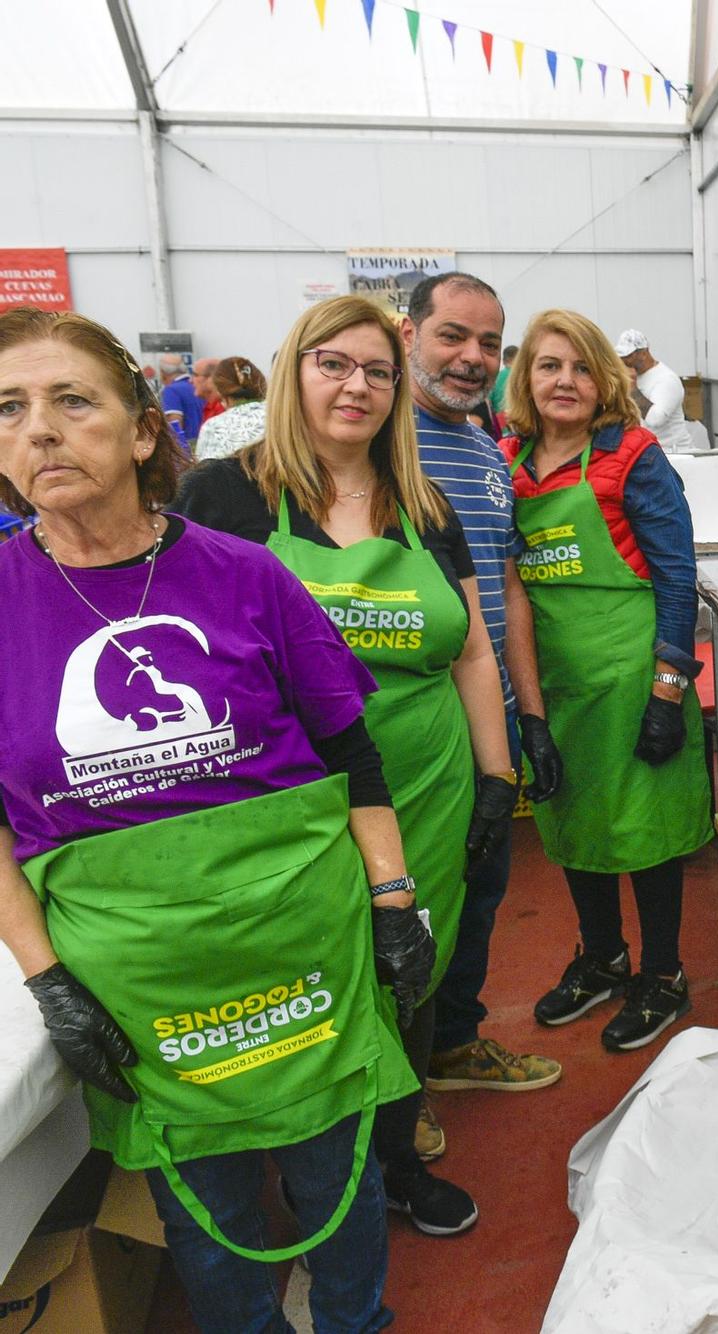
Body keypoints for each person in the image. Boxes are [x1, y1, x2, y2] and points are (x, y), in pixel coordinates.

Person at [0, 306, 432, 1332]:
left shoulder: (245, 574)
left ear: (145, 429)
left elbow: (350, 753)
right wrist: (47, 978)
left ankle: (355, 1320)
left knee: (339, 1169)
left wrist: (392, 897)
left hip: (300, 937)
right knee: (205, 1201)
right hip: (138, 968)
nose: (39, 430)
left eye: (72, 400)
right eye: (9, 408)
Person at [176, 295, 514, 1236]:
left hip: (429, 791)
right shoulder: (225, 497)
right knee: (312, 983)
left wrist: (497, 776)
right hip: (295, 798)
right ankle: (317, 1174)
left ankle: (396, 1163)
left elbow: (474, 649)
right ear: (294, 371)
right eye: (334, 363)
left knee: (412, 982)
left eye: (376, 370)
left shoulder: (423, 504)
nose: (356, 386)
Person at [502, 309, 711, 1052]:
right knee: (571, 824)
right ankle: (602, 956)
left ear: (608, 381)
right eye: (549, 365)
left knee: (644, 835)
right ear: (525, 376)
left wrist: (668, 687)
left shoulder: (633, 455)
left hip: (631, 682)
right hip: (552, 686)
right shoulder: (508, 461)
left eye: (582, 367)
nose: (565, 381)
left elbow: (678, 578)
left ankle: (663, 974)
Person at [399, 272, 566, 1131]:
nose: (472, 360)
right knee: (403, 905)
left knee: (481, 884)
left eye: (488, 345)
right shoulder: (380, 444)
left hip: (488, 716)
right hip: (410, 727)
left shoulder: (483, 450)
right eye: (452, 337)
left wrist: (527, 713)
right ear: (409, 335)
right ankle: (395, 1086)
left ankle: (453, 1043)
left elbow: (505, 584)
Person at [613, 329, 694, 451]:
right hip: (647, 449)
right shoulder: (635, 375)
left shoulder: (666, 379)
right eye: (621, 356)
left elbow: (656, 419)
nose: (624, 361)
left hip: (673, 452)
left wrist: (632, 388)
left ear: (644, 353)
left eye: (629, 356)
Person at [192, 356, 267, 461]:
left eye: (194, 375)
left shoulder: (213, 426)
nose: (191, 380)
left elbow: (201, 470)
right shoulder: (280, 415)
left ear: (219, 389)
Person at [158, 357, 200, 451]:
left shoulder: (171, 390)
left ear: (163, 373)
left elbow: (174, 423)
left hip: (189, 448)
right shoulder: (197, 386)